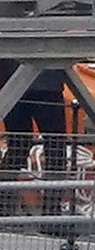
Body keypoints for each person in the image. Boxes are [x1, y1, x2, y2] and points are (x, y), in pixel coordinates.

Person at [0, 61, 71, 216]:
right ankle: (51, 210)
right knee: (55, 146)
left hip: (11, 81)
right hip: (46, 84)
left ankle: (3, 205)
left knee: (19, 145)